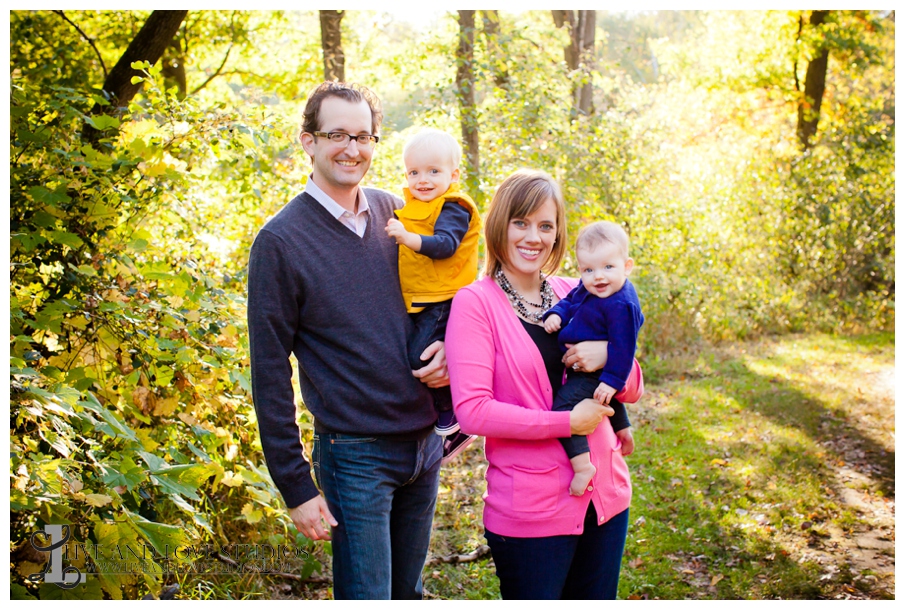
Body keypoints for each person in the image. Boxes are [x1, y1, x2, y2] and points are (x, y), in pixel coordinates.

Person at [246, 82, 448, 600]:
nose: (352, 148)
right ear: (308, 141)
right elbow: (269, 373)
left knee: (409, 594)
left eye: (363, 136)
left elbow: (444, 294)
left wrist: (452, 346)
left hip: (424, 447)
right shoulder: (280, 241)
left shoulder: (395, 213)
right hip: (355, 454)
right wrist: (295, 485)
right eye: (337, 133)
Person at [445, 170, 642, 599]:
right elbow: (474, 410)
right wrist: (567, 422)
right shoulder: (475, 304)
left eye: (546, 225)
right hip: (530, 510)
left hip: (604, 497)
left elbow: (632, 381)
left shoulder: (581, 287)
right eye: (521, 222)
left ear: (558, 235)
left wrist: (608, 357)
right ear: (500, 225)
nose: (533, 236)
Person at [384, 128, 481, 464]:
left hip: (444, 298)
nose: (422, 180)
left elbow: (445, 245)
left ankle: (455, 418)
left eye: (433, 172)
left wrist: (407, 238)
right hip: (421, 299)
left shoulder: (453, 207)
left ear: (453, 175)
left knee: (421, 357)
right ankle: (441, 418)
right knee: (411, 354)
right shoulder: (414, 207)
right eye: (414, 172)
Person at [543, 221, 644, 496]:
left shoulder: (621, 304)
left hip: (598, 373)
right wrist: (556, 315)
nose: (598, 277)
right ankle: (622, 427)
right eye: (589, 270)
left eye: (608, 267)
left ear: (627, 266)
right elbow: (571, 300)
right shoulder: (589, 288)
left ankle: (582, 465)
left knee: (564, 405)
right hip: (585, 369)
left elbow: (624, 349)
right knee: (600, 396)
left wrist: (612, 381)